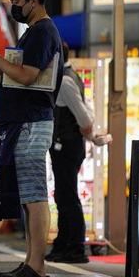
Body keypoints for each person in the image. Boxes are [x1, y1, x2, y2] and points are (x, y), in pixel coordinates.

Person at [0, 0, 63, 277]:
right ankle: (31, 262)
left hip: (31, 122)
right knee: (29, 195)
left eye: (16, 2)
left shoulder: (41, 32)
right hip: (26, 121)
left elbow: (26, 75)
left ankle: (37, 265)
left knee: (34, 194)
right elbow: (18, 74)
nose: (14, 7)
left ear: (34, 2)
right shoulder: (36, 32)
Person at [47, 43, 109, 264]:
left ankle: (73, 246)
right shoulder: (68, 76)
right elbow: (86, 111)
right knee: (64, 195)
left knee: (67, 196)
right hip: (69, 144)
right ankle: (65, 244)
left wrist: (89, 134)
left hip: (67, 144)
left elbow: (84, 117)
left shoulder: (64, 81)